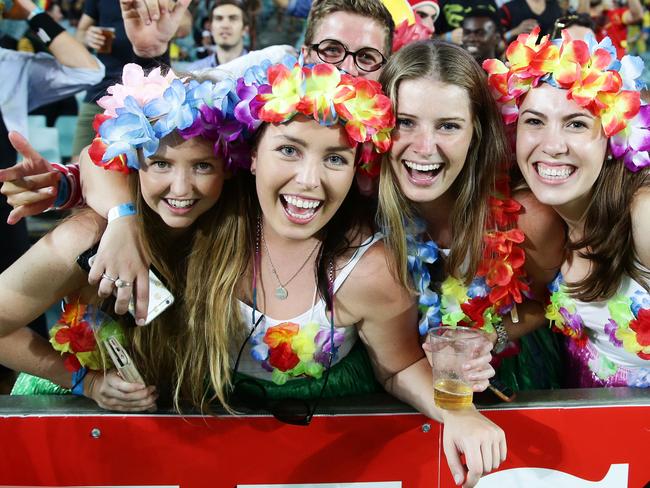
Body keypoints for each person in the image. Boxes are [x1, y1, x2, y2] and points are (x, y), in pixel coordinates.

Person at [0, 64, 251, 411]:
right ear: (132, 162)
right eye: (161, 164)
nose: (181, 188)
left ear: (229, 167)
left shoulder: (238, 228)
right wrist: (84, 383)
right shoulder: (90, 236)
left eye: (203, 166)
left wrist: (73, 183)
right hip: (75, 415)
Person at [378, 40, 565, 392]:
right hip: (400, 388)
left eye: (448, 126)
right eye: (405, 122)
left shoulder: (527, 218)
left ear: (476, 132)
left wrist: (487, 336)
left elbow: (551, 302)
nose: (424, 147)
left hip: (514, 380)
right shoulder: (363, 212)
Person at [484, 27, 650, 387]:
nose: (552, 145)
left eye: (576, 123)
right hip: (585, 419)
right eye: (535, 122)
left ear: (613, 135)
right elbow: (546, 303)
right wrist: (488, 337)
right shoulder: (546, 215)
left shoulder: (642, 214)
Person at [187, 0, 249, 72]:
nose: (225, 25)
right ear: (211, 28)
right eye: (219, 18)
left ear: (245, 29)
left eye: (233, 18)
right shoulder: (194, 72)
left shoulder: (260, 69)